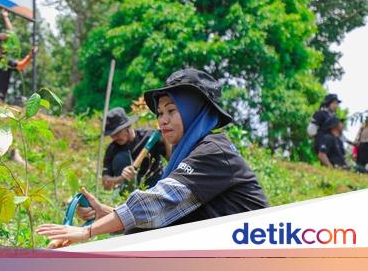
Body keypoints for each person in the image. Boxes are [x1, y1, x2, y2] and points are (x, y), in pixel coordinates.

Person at [37, 68, 268, 248]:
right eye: (159, 113)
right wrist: (105, 214)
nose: (162, 120)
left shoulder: (214, 151)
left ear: (194, 111)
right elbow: (161, 215)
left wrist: (88, 232)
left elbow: (158, 202)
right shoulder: (194, 151)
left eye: (171, 110)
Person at [101, 107, 170, 191]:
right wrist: (122, 178)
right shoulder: (112, 149)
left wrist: (166, 138)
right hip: (130, 193)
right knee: (120, 158)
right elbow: (105, 184)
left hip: (157, 185)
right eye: (112, 135)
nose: (115, 138)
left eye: (117, 132)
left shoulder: (149, 137)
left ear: (127, 127)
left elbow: (171, 159)